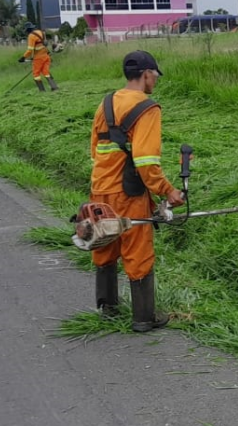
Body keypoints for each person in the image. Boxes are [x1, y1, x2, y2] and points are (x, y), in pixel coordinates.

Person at [88, 50, 184, 332]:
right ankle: (144, 317)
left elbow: (95, 149)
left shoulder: (106, 102)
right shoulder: (147, 108)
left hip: (100, 186)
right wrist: (168, 191)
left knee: (104, 243)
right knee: (136, 248)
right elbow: (145, 161)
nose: (155, 81)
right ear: (145, 75)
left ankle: (108, 308)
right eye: (154, 76)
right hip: (128, 191)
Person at [17, 22, 58, 92]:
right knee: (46, 72)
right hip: (46, 56)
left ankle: (42, 90)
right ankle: (54, 87)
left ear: (27, 30)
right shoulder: (40, 32)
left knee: (36, 74)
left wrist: (23, 57)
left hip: (38, 58)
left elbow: (30, 50)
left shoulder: (31, 36)